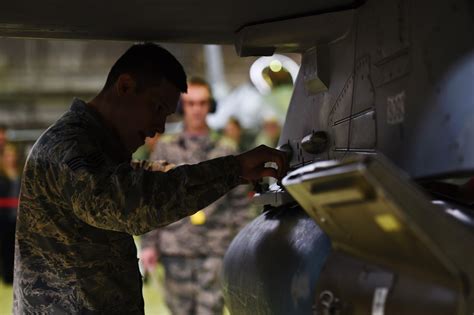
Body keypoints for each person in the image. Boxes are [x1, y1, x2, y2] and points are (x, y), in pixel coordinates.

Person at [13, 42, 288, 314]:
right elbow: (131, 205)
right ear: (125, 87)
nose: (159, 127)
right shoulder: (70, 146)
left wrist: (231, 170)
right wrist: (233, 168)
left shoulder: (98, 149)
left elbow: (142, 174)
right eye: (156, 108)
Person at [140, 77, 251, 315]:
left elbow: (241, 203)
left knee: (211, 310)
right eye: (190, 103)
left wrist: (243, 247)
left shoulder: (226, 149)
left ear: (210, 106)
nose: (197, 109)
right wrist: (149, 245)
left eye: (202, 103)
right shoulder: (165, 148)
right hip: (175, 249)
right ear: (182, 107)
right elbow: (153, 200)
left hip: (216, 247)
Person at [0, 143, 20, 284]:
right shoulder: (2, 175)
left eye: (12, 155)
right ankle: (6, 276)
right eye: (7, 156)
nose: (10, 158)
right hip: (3, 217)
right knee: (5, 247)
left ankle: (14, 275)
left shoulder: (19, 173)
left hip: (16, 217)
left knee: (15, 248)